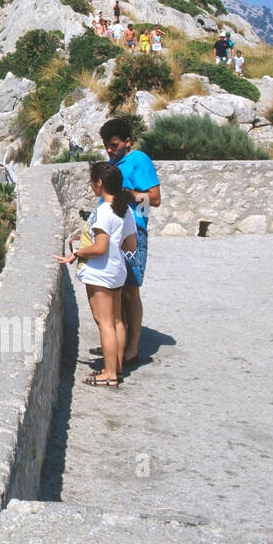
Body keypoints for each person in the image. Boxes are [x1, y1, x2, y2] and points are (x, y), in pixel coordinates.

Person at [54, 162, 137, 385]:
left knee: (105, 322)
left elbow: (100, 247)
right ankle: (116, 369)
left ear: (100, 183)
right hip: (117, 271)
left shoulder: (103, 211)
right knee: (118, 321)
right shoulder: (124, 210)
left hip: (101, 273)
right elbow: (131, 245)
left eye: (92, 182)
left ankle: (109, 374)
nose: (91, 186)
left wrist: (78, 252)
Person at [100, 117, 161, 367]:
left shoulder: (139, 161)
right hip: (112, 232)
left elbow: (155, 200)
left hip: (133, 232)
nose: (109, 150)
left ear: (127, 142)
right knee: (116, 289)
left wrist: (133, 197)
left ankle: (133, 348)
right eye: (106, 145)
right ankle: (119, 342)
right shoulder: (114, 163)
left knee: (130, 289)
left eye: (114, 145)